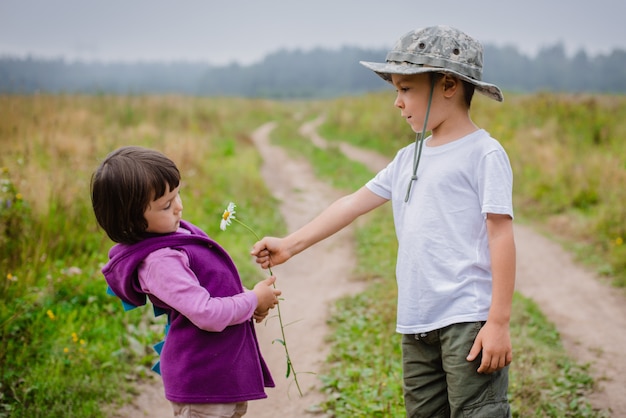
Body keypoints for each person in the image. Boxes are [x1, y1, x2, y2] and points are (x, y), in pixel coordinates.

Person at [252, 25, 515, 417]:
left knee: (478, 412)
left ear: (447, 85)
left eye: (405, 89)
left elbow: (501, 235)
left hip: (468, 320)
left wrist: (498, 322)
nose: (397, 102)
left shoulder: (483, 154)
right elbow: (352, 204)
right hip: (416, 321)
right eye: (396, 90)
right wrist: (290, 244)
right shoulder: (409, 157)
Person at [91, 145, 281, 418]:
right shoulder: (159, 262)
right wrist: (252, 299)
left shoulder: (175, 234)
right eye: (166, 205)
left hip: (220, 374)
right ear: (132, 221)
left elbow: (210, 288)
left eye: (177, 193)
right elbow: (206, 312)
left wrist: (250, 299)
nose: (179, 206)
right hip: (202, 383)